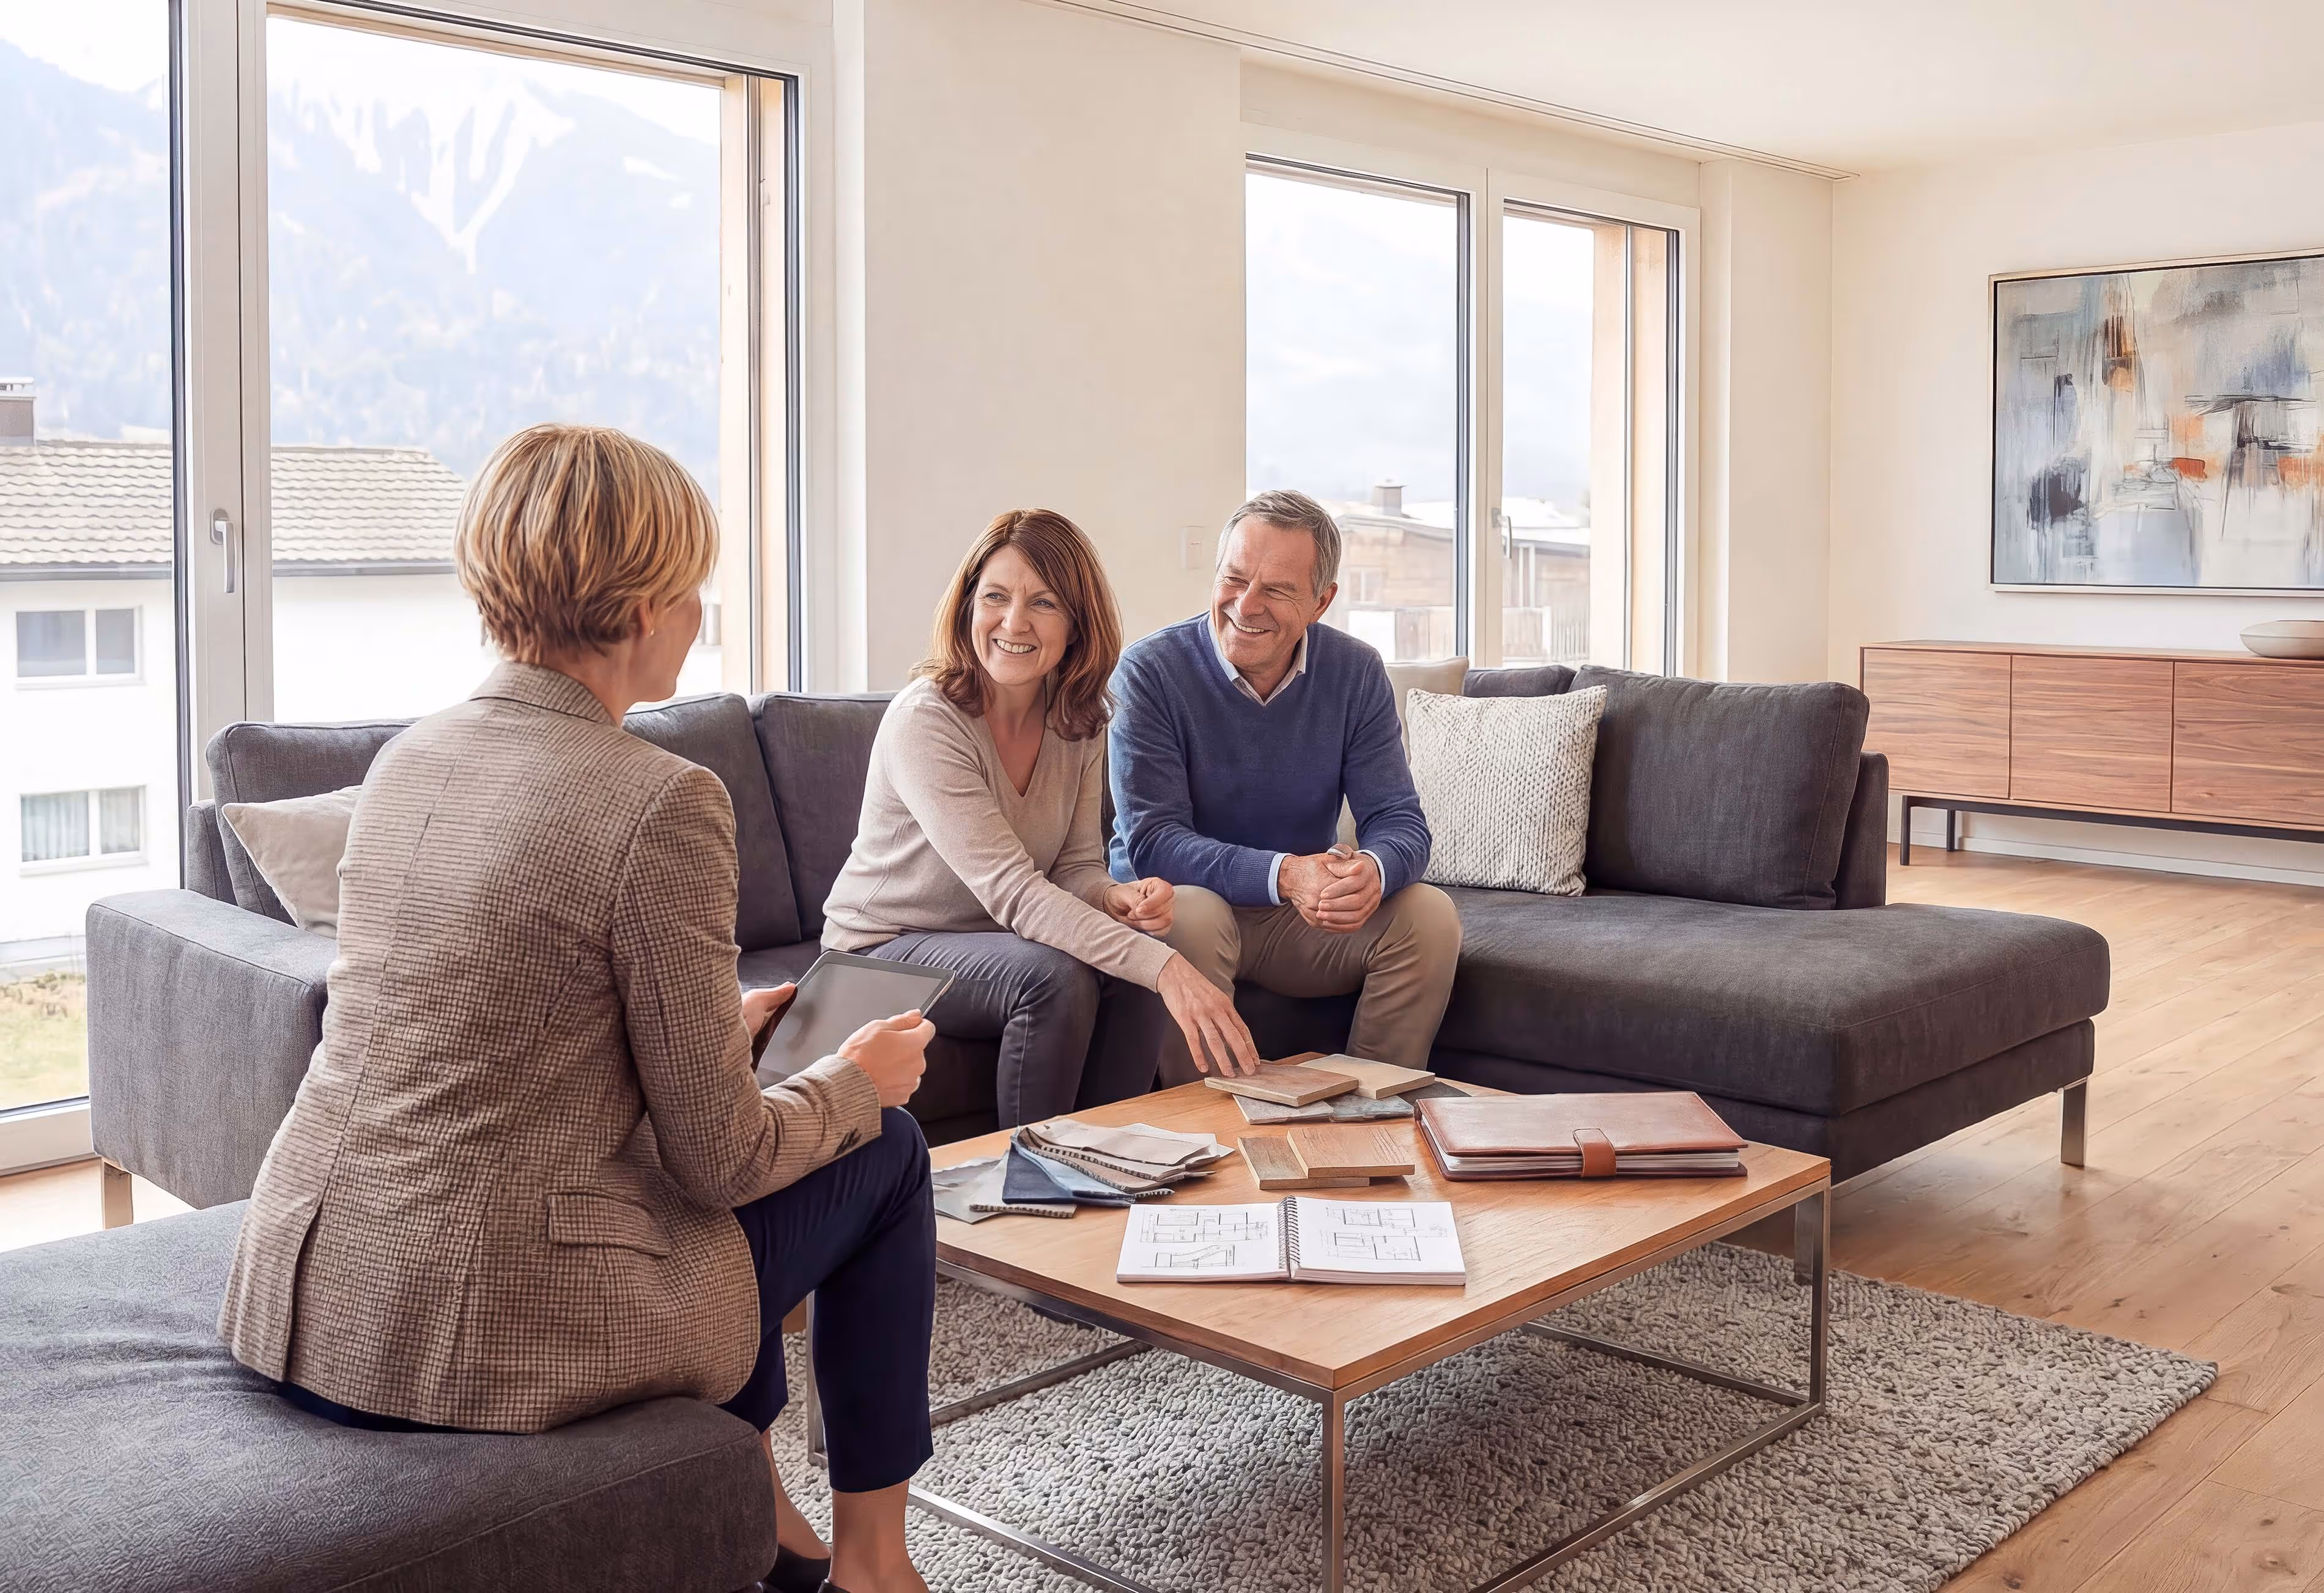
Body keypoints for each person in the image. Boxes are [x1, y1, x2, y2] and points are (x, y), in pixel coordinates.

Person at [216, 424, 937, 1593]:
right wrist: (857, 1083)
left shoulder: (413, 758)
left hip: (305, 1292)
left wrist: (719, 1030)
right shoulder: (662, 800)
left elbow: (503, 1025)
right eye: (693, 586)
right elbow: (722, 1159)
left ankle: (762, 1509)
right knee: (886, 1150)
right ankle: (874, 1562)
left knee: (722, 1164)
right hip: (477, 1329)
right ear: (641, 602)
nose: (702, 613)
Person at [821, 509, 1261, 1125]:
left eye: (1044, 603)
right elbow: (1014, 893)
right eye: (995, 597)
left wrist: (1116, 899)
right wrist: (1169, 970)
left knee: (1133, 952)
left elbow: (1074, 864)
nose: (1013, 622)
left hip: (992, 939)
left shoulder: (1078, 718)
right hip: (876, 951)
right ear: (968, 606)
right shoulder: (926, 720)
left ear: (1077, 622)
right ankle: (1031, 1182)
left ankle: (1115, 1161)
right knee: (1055, 976)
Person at [1108, 488, 1462, 1083]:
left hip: (1291, 920)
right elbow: (1153, 844)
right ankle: (1209, 1133)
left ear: (1320, 601)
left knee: (1427, 915)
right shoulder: (1149, 672)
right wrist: (1289, 874)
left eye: (1275, 589)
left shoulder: (1353, 672)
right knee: (1190, 915)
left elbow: (1399, 819)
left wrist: (1371, 872)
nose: (1245, 605)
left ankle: (1370, 1111)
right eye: (1233, 578)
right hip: (1179, 903)